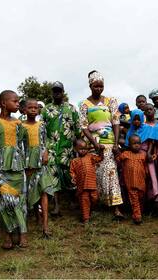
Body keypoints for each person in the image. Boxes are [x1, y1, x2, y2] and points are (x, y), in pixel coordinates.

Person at [0, 90, 28, 249]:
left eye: (18, 102)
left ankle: (23, 233)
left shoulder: (18, 123)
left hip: (18, 168)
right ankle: (9, 234)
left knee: (20, 202)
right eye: (15, 101)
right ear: (3, 103)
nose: (18, 104)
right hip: (2, 168)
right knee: (5, 203)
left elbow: (23, 143)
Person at [79, 70, 124, 219]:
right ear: (90, 86)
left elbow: (116, 122)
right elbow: (84, 126)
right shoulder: (84, 104)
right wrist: (94, 143)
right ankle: (95, 204)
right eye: (96, 86)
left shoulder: (111, 101)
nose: (98, 89)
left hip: (109, 143)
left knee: (111, 173)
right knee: (94, 175)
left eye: (101, 86)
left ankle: (116, 208)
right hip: (92, 145)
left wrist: (116, 143)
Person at [41, 81, 80, 216]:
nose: (57, 93)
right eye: (54, 91)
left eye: (59, 90)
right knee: (54, 176)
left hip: (67, 149)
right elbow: (42, 130)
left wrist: (78, 146)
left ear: (63, 92)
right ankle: (56, 206)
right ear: (52, 93)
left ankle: (72, 200)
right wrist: (43, 149)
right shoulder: (46, 109)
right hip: (51, 148)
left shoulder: (72, 108)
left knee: (69, 176)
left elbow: (78, 129)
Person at [22, 99, 55, 238]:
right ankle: (38, 217)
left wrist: (46, 152)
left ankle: (45, 225)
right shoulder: (21, 125)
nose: (33, 110)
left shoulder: (41, 125)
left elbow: (45, 140)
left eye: (36, 107)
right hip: (28, 161)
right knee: (32, 190)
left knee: (43, 191)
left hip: (41, 161)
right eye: (30, 107)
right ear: (24, 110)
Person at [115, 135, 147, 225]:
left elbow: (146, 167)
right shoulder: (126, 154)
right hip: (130, 182)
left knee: (141, 198)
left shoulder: (143, 155)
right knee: (134, 198)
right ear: (129, 145)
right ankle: (137, 217)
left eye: (138, 143)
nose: (137, 145)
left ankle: (139, 212)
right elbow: (118, 160)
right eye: (134, 143)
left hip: (141, 182)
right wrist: (117, 152)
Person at [70, 139, 103, 224]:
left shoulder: (91, 157)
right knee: (84, 201)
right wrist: (73, 178)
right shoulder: (74, 161)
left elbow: (100, 159)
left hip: (92, 184)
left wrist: (101, 151)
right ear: (75, 149)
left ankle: (90, 210)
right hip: (82, 186)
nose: (83, 150)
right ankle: (85, 218)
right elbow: (72, 172)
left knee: (94, 198)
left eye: (85, 148)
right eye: (81, 149)